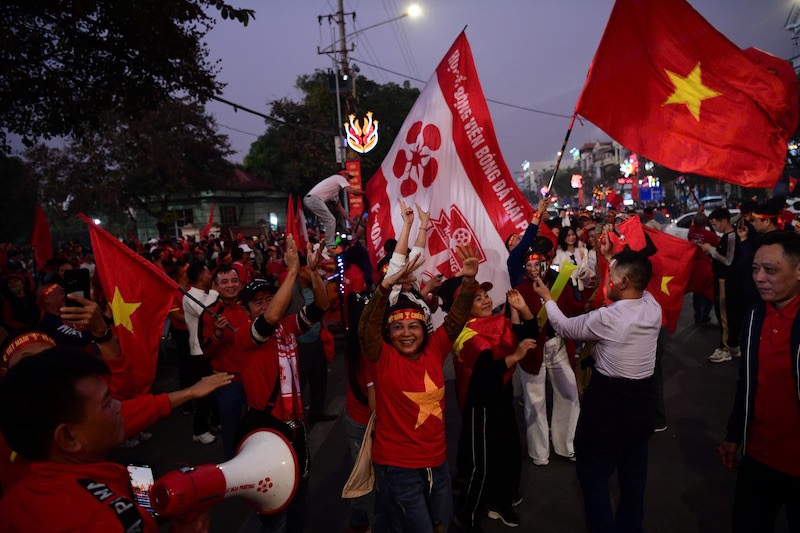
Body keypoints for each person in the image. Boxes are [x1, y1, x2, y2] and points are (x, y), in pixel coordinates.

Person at [0, 348, 231, 532]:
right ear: (69, 437)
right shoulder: (109, 521)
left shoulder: (14, 499)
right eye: (107, 402)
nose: (120, 407)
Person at [532, 239, 662, 533]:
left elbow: (565, 327)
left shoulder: (608, 318)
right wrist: (608, 258)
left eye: (611, 277)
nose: (607, 281)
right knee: (633, 479)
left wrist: (547, 298)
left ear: (624, 281)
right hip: (643, 404)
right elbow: (628, 287)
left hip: (609, 405)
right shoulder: (652, 306)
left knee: (592, 475)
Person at [358, 246, 480, 533]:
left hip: (438, 464)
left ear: (425, 330)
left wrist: (469, 281)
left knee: (443, 524)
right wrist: (386, 284)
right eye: (397, 328)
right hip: (398, 468)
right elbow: (366, 328)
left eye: (414, 326)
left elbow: (456, 318)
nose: (407, 333)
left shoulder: (435, 350)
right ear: (388, 334)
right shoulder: (382, 357)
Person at [237, 236, 329, 533]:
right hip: (265, 427)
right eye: (257, 301)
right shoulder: (244, 336)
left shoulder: (287, 327)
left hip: (294, 424)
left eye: (269, 298)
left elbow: (320, 309)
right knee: (273, 507)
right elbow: (271, 316)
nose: (265, 305)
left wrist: (313, 274)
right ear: (246, 309)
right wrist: (292, 270)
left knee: (300, 493)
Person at [718, 231, 800, 532]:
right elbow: (747, 384)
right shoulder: (754, 317)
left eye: (771, 270)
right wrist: (734, 435)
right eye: (755, 269)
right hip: (758, 458)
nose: (760, 278)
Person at [448, 282, 537, 531]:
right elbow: (486, 374)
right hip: (482, 406)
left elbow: (528, 334)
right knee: (482, 466)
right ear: (465, 307)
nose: (486, 300)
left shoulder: (497, 322)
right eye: (478, 299)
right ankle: (466, 515)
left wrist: (524, 309)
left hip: (503, 400)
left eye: (486, 295)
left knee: (510, 454)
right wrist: (516, 356)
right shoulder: (465, 335)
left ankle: (500, 502)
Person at [515, 250, 583, 466]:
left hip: (558, 346)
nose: (534, 269)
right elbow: (515, 326)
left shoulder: (559, 284)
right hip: (532, 350)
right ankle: (539, 452)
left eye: (538, 264)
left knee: (570, 392)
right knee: (535, 402)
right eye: (529, 265)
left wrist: (592, 304)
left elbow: (572, 309)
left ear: (546, 264)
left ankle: (566, 445)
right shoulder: (520, 290)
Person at [198, 266, 250, 459]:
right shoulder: (211, 313)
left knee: (259, 425)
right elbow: (206, 351)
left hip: (252, 376)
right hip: (228, 381)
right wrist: (218, 334)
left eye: (234, 281)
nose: (231, 285)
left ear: (241, 283)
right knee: (231, 431)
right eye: (225, 282)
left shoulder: (249, 306)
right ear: (216, 287)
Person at [182, 260, 221, 445]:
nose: (210, 275)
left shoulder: (204, 295)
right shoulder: (189, 297)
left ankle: (215, 421)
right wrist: (214, 291)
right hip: (198, 351)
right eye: (207, 273)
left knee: (215, 389)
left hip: (210, 347)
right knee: (204, 394)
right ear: (199, 277)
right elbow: (207, 312)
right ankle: (198, 430)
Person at [698, 208, 742, 363]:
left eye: (716, 224)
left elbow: (728, 260)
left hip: (726, 280)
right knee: (722, 312)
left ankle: (726, 348)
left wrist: (711, 250)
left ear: (724, 221)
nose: (715, 228)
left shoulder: (731, 237)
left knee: (724, 314)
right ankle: (728, 345)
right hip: (721, 279)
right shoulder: (727, 235)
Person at [305, 170, 366, 255]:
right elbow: (352, 191)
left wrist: (350, 220)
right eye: (348, 177)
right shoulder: (338, 177)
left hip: (311, 200)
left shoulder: (334, 191)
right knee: (330, 220)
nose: (349, 180)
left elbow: (339, 207)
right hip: (313, 200)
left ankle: (327, 246)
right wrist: (365, 193)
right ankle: (330, 246)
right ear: (344, 175)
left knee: (330, 220)